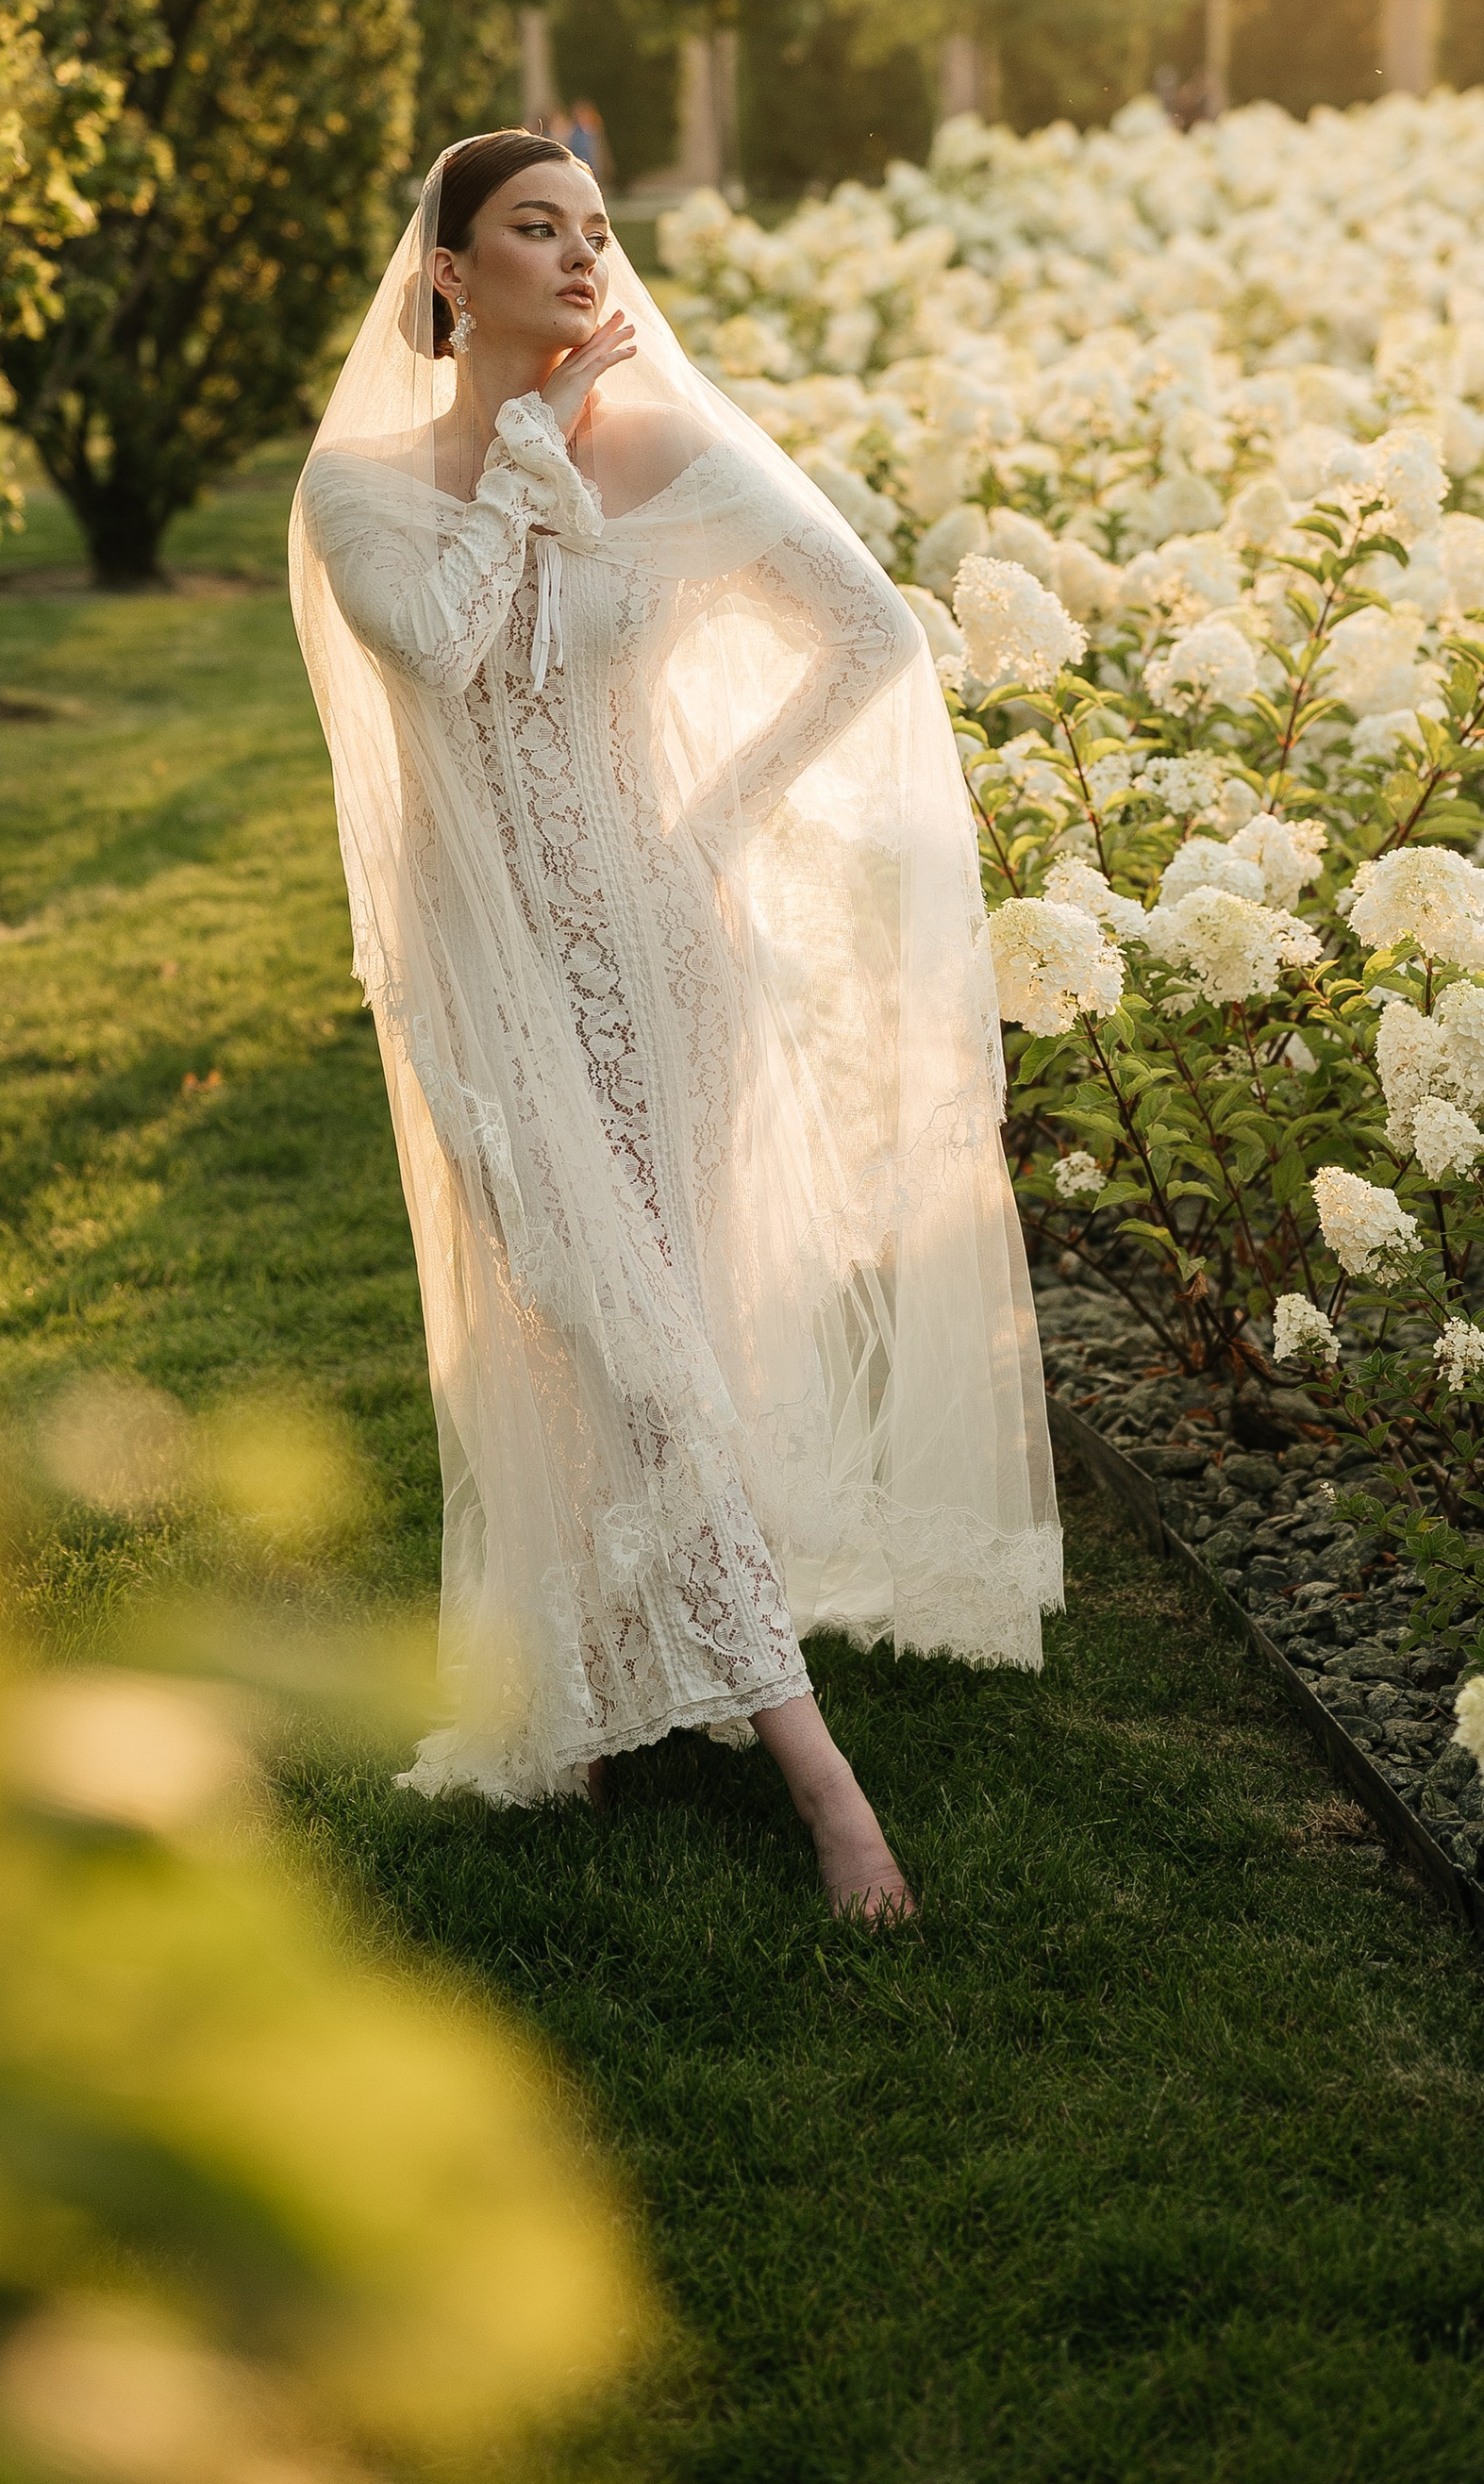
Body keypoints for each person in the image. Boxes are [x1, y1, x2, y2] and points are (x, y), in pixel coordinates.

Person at [290, 134, 1061, 1917]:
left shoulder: (665, 446)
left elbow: (866, 634)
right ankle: (825, 1782)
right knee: (616, 1337)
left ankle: (636, 1698)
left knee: (669, 1341)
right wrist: (535, 443)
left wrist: (714, 822)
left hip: (667, 965)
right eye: (533, 231)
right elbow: (446, 638)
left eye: (595, 231)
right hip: (497, 992)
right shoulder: (369, 492)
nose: (580, 259)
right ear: (448, 273)